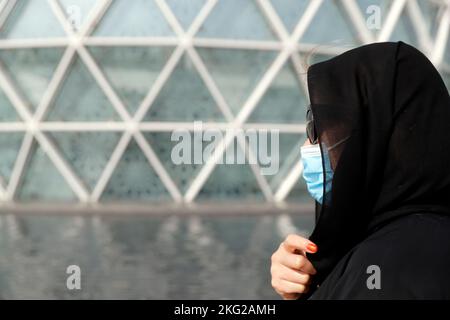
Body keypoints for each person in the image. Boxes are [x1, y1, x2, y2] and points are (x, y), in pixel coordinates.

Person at [270, 41, 450, 299]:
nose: (309, 143)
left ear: (372, 136)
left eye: (317, 126)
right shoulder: (417, 244)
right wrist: (313, 285)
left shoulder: (381, 270)